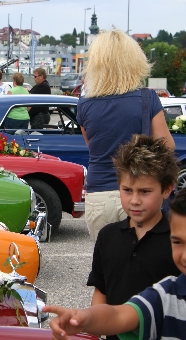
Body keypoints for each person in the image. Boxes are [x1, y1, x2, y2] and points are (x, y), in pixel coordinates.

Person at [44, 185, 186, 340]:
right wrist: (83, 318)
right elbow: (118, 315)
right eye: (178, 242)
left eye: (145, 191)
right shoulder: (166, 295)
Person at [77, 29, 175, 242]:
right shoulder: (147, 99)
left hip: (99, 193)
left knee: (109, 264)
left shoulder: (84, 105)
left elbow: (93, 145)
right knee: (146, 264)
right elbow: (167, 146)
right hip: (140, 191)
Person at [86, 134, 181, 340]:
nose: (134, 200)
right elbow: (101, 292)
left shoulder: (177, 241)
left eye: (145, 191)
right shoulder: (107, 236)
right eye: (127, 190)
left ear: (167, 189)